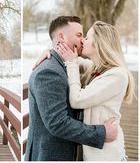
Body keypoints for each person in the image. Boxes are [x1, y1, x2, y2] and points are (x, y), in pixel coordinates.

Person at [34, 20, 135, 160]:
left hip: (106, 153)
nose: (82, 41)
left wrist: (71, 64)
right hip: (94, 149)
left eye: (87, 37)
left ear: (99, 43)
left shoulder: (117, 75)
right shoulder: (97, 68)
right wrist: (51, 51)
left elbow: (77, 100)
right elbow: (70, 58)